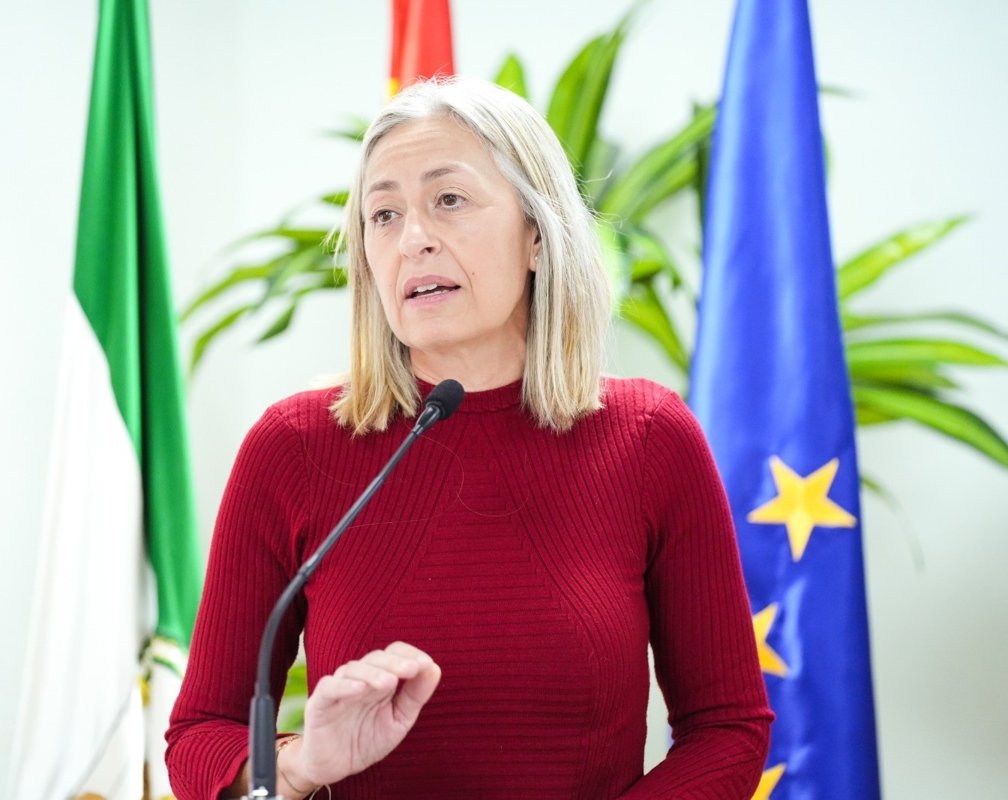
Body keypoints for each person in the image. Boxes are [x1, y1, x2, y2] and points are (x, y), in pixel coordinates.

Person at [166, 76, 772, 799]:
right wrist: (298, 764)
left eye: (449, 199)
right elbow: (200, 733)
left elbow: (727, 729)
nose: (413, 239)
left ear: (537, 236)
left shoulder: (649, 438)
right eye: (383, 214)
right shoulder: (292, 447)